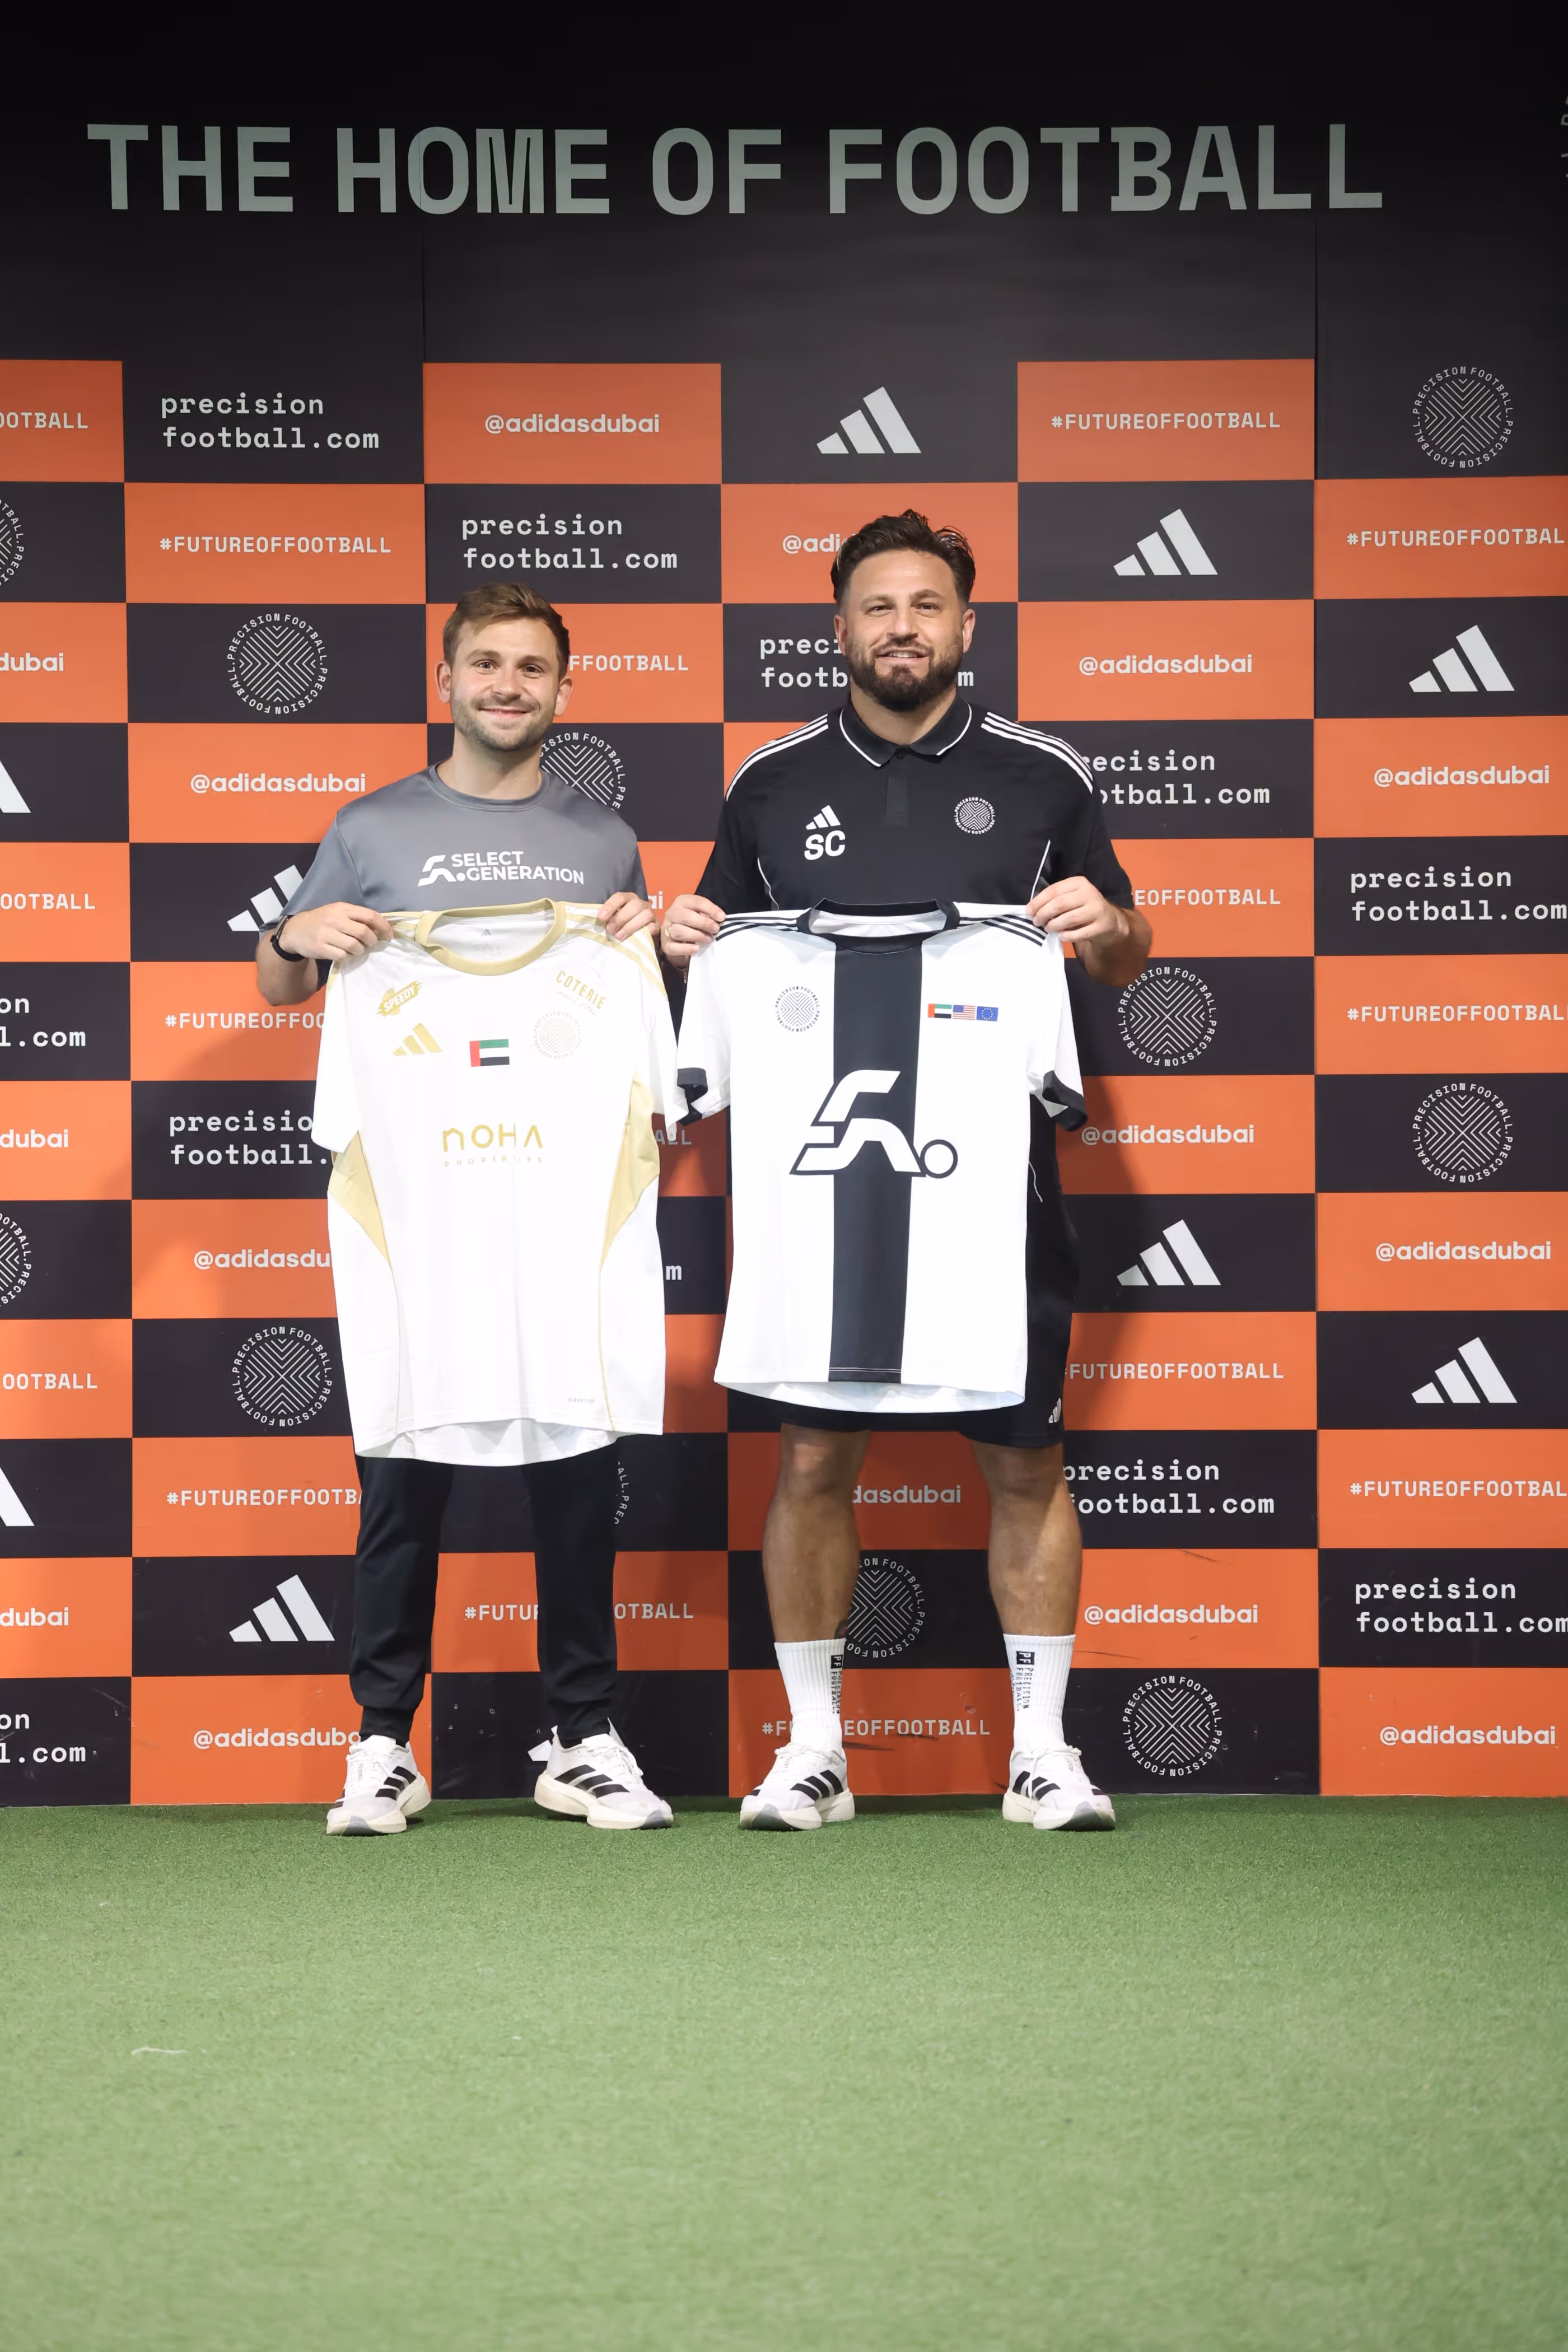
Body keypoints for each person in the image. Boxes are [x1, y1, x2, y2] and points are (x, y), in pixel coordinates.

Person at [661, 510, 1151, 1833]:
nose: (899, 628)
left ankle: (1040, 1751)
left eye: (923, 606)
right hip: (818, 1208)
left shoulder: (1040, 776)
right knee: (812, 1462)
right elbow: (707, 957)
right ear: (837, 627)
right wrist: (683, 937)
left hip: (993, 1203)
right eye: (875, 606)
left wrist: (1105, 926)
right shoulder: (766, 784)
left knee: (1026, 1467)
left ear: (963, 627)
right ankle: (812, 1747)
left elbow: (1120, 951)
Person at [257, 581, 674, 1834]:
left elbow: (644, 996)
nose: (507, 685)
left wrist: (638, 937)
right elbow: (282, 983)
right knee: (401, 1468)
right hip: (427, 1215)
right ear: (447, 681)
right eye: (485, 664)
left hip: (551, 1218)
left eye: (530, 668)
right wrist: (300, 927)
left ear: (562, 689)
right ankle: (382, 1742)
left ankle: (583, 1734)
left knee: (573, 1468)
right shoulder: (372, 825)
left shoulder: (603, 841)